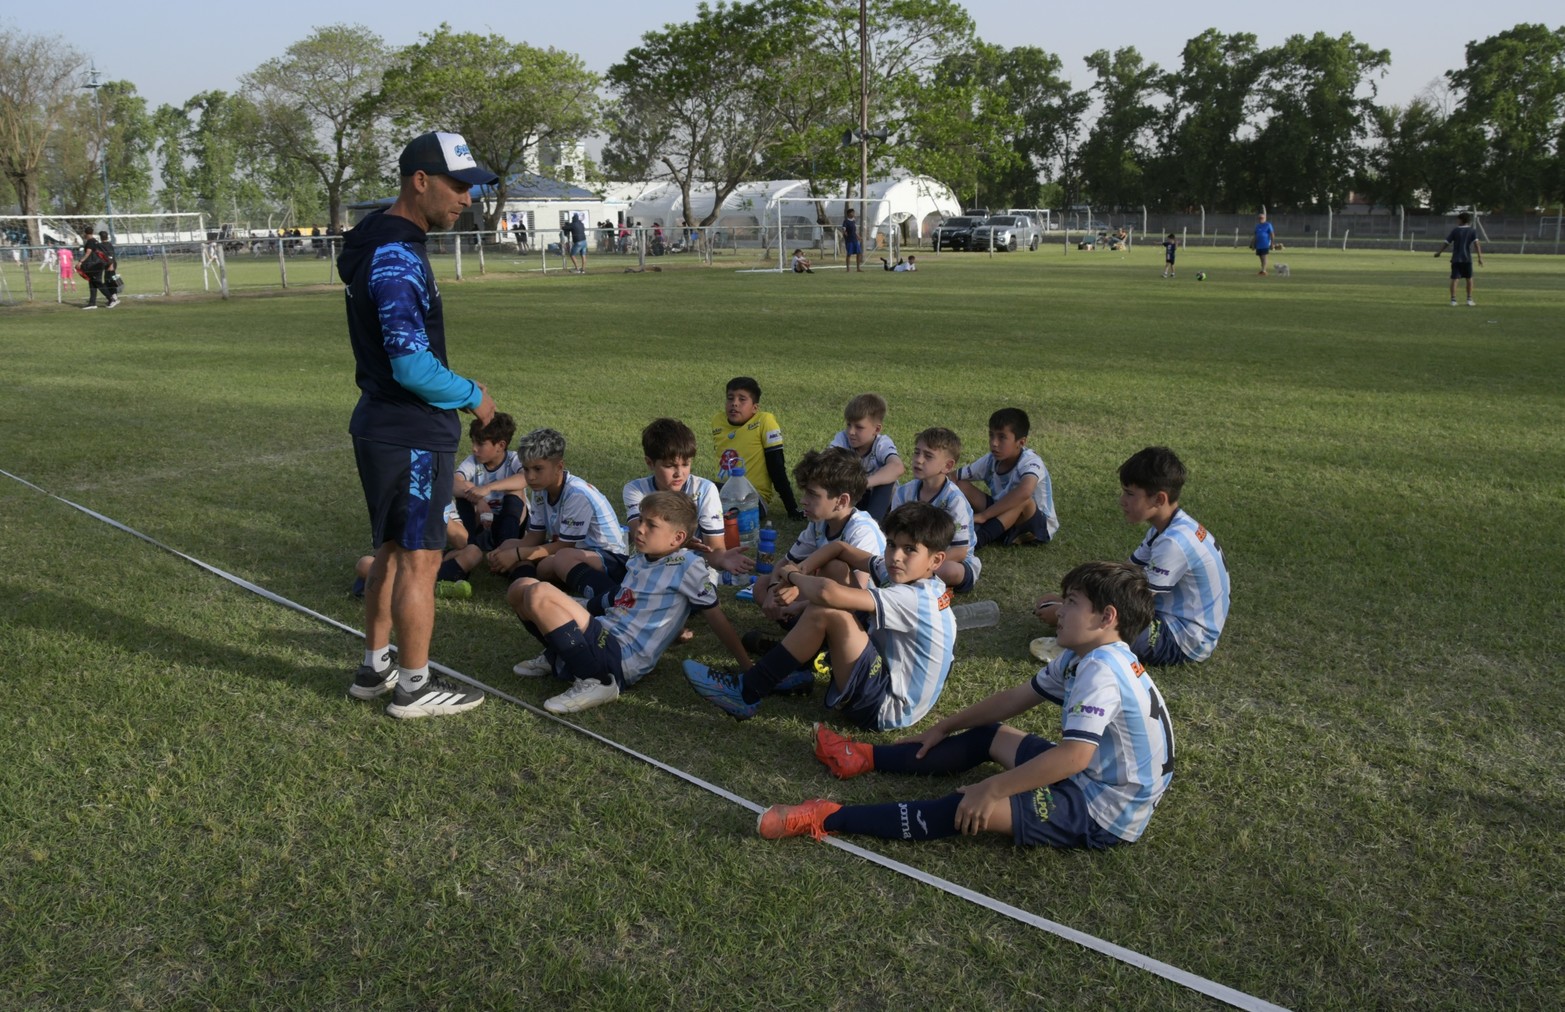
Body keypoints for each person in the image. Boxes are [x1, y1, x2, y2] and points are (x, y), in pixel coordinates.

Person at [759, 561, 1175, 850]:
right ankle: (860, 756)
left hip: (1103, 811)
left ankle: (826, 817)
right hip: (1095, 777)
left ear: (1107, 617)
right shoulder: (1088, 655)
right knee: (988, 737)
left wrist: (989, 788)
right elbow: (1015, 699)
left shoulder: (1101, 670)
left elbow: (1073, 758)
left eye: (1072, 603)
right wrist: (946, 725)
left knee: (967, 807)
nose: (1060, 612)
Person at [339, 129, 498, 719]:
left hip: (385, 426)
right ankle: (412, 686)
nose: (467, 199)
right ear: (420, 181)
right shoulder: (397, 255)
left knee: (391, 549)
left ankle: (374, 668)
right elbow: (409, 364)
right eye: (458, 186)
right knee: (420, 558)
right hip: (408, 428)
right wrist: (473, 396)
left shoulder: (385, 244)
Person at [685, 500, 955, 726]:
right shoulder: (912, 577)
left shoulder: (914, 598)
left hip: (886, 708)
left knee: (828, 611)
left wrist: (792, 574)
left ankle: (745, 692)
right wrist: (801, 573)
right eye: (892, 544)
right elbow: (840, 549)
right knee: (835, 584)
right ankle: (791, 672)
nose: (895, 556)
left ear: (936, 560)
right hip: (888, 679)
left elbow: (828, 594)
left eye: (910, 549)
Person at [508, 491, 752, 714]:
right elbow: (619, 600)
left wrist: (747, 666)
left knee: (539, 593)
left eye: (651, 525)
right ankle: (558, 656)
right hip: (605, 631)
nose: (640, 529)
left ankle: (598, 682)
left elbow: (717, 618)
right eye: (641, 520)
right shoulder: (640, 559)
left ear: (677, 538)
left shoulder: (688, 566)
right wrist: (574, 606)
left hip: (622, 656)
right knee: (520, 589)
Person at [1037, 447, 1229, 667]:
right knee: (1095, 613)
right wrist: (1070, 601)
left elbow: (1133, 601)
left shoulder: (1174, 543)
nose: (1122, 501)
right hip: (1168, 620)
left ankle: (1077, 647)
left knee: (1105, 623)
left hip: (1181, 640)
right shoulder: (1167, 528)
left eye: (1129, 494)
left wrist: (1069, 611)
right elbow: (1125, 574)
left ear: (1158, 499)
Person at [486, 427, 629, 622]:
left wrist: (516, 555)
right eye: (526, 469)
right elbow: (534, 537)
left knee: (550, 563)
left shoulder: (576, 494)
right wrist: (505, 553)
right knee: (509, 545)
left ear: (559, 467)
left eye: (538, 469)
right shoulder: (540, 490)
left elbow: (564, 546)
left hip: (610, 558)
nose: (531, 476)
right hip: (572, 553)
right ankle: (527, 585)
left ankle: (612, 600)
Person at [753, 447, 886, 627]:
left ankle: (805, 629)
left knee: (835, 567)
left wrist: (800, 606)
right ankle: (799, 625)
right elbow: (785, 564)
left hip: (864, 613)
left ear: (842, 501)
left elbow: (857, 594)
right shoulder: (820, 523)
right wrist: (772, 591)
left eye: (812, 494)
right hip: (827, 596)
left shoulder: (862, 531)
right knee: (762, 584)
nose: (803, 500)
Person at [624, 417, 751, 582]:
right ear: (650, 462)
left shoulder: (705, 490)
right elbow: (640, 535)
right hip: (650, 567)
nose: (679, 473)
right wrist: (683, 542)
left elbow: (714, 549)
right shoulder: (635, 490)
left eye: (686, 464)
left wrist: (721, 559)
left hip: (696, 570)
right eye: (670, 466)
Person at [891, 426, 979, 594]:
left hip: (947, 560)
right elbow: (893, 534)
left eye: (928, 456)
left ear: (948, 466)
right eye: (917, 452)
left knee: (949, 571)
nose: (919, 460)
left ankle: (927, 583)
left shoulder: (955, 500)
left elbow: (960, 551)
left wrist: (923, 564)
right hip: (909, 554)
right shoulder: (904, 493)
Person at [955, 407, 1058, 548]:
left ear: (1021, 442)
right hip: (1002, 516)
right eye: (991, 435)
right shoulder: (990, 460)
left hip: (1034, 527)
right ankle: (949, 526)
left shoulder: (1031, 461)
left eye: (1002, 437)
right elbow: (952, 476)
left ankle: (976, 541)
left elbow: (1025, 492)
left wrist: (984, 515)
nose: (994, 443)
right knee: (960, 485)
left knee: (1024, 500)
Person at [709, 376, 802, 520]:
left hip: (752, 498)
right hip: (723, 493)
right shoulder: (718, 421)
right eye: (730, 398)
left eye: (742, 399)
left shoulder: (764, 421)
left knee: (714, 508)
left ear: (755, 408)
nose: (734, 404)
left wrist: (792, 508)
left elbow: (776, 467)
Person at [827, 393, 904, 522]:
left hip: (883, 505)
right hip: (854, 497)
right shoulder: (843, 438)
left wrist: (863, 483)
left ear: (876, 429)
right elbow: (826, 463)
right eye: (849, 425)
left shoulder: (881, 443)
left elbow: (897, 467)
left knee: (887, 480)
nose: (851, 432)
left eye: (859, 427)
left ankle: (872, 526)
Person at [1435, 212, 1484, 306]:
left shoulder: (1455, 231)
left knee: (1455, 279)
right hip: (1467, 259)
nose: (1456, 221)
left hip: (1456, 259)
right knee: (1469, 278)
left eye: (1458, 219)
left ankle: (1453, 300)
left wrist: (1439, 252)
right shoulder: (1472, 231)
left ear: (1462, 220)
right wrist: (1480, 258)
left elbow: (1447, 242)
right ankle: (1469, 300)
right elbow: (1477, 244)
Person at [78, 236, 117, 309]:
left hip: (96, 265)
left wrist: (80, 262)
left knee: (98, 282)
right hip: (97, 265)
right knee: (92, 282)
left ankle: (111, 299)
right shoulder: (98, 244)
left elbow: (89, 252)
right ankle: (92, 303)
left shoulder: (92, 243)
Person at [841, 207, 863, 273]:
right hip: (849, 240)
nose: (854, 214)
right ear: (849, 214)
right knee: (849, 254)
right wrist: (845, 232)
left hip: (855, 240)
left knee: (859, 253)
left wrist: (858, 236)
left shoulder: (853, 221)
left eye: (854, 212)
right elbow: (843, 229)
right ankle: (848, 269)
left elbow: (854, 231)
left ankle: (858, 268)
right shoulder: (846, 221)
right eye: (852, 212)